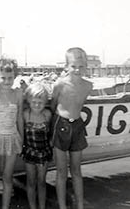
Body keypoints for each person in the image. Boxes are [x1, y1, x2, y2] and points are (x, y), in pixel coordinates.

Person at [51, 47, 93, 209]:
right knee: (61, 171)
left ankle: (80, 205)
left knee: (76, 170)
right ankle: (62, 206)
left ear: (86, 66)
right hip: (60, 124)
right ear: (67, 66)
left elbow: (80, 104)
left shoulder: (88, 86)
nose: (77, 69)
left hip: (77, 126)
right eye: (74, 66)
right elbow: (53, 104)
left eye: (81, 66)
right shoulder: (60, 84)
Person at [0, 58, 24, 209]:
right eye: (3, 78)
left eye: (10, 78)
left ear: (14, 77)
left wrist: (22, 139)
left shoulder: (18, 94)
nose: (7, 81)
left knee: (8, 177)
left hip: (13, 138)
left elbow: (19, 118)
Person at [21, 82, 52, 209]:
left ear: (45, 102)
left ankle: (42, 206)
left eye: (40, 102)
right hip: (29, 152)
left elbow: (50, 133)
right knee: (31, 181)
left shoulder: (47, 115)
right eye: (34, 102)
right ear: (29, 101)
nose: (37, 105)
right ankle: (33, 206)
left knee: (41, 181)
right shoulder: (26, 114)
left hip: (44, 152)